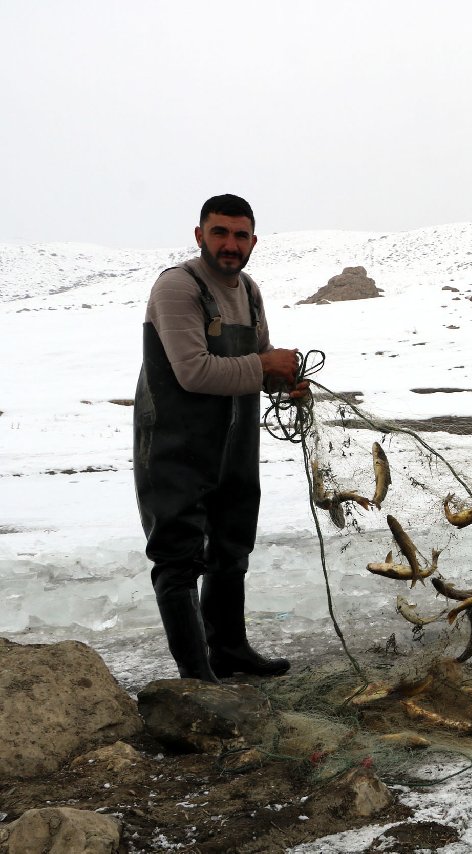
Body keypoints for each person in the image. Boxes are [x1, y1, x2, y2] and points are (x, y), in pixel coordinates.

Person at [134, 194, 308, 682]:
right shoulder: (177, 287)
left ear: (253, 241)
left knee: (232, 546)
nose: (230, 244)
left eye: (240, 235)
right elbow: (193, 371)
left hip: (235, 445)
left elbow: (257, 363)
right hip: (174, 445)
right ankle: (196, 676)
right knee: (177, 555)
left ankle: (229, 650)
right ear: (199, 235)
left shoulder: (249, 291)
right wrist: (265, 365)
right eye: (220, 233)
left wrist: (283, 381)